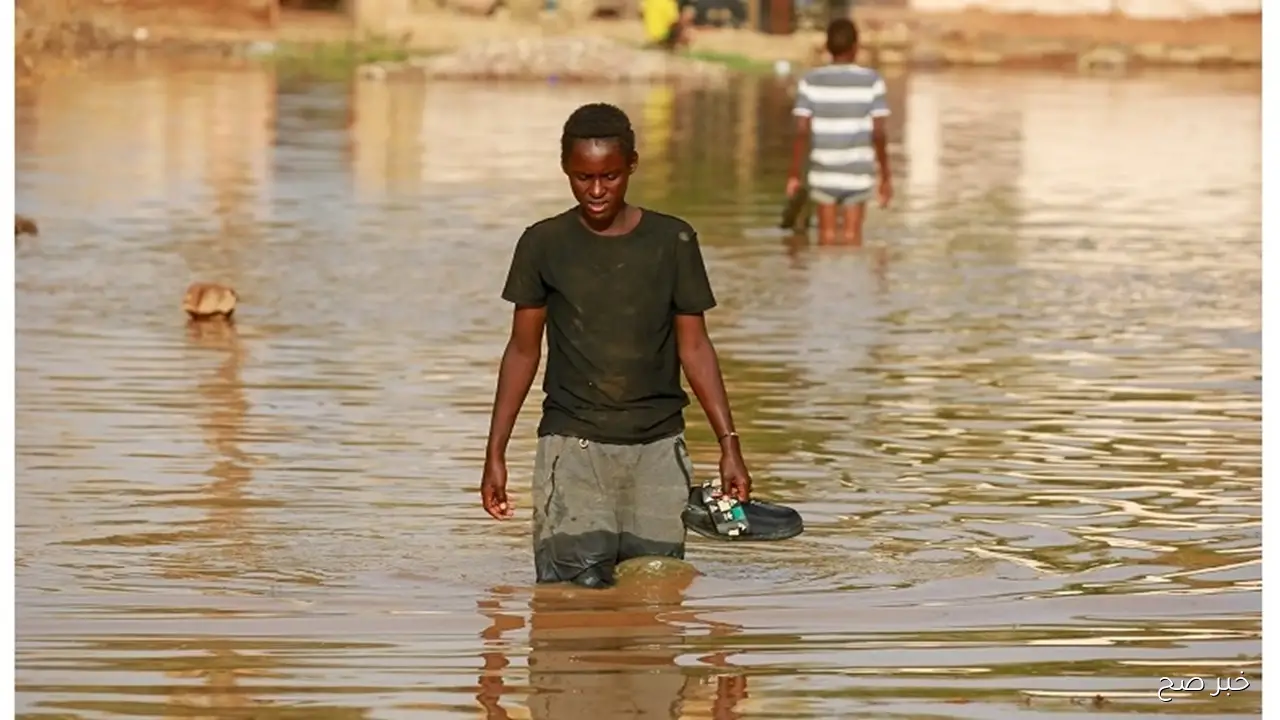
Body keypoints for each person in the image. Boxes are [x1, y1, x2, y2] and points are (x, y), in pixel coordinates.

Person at [479, 102, 753, 589]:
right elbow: (523, 351)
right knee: (570, 604)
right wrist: (495, 451)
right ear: (566, 168)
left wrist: (728, 445)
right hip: (573, 449)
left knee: (657, 599)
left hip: (658, 452)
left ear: (632, 165)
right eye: (583, 177)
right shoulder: (542, 244)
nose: (597, 190)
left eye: (610, 176)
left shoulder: (673, 241)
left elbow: (696, 348)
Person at [786, 18, 893, 246]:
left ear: (827, 47)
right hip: (857, 171)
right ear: (856, 47)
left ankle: (825, 281)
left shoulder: (811, 81)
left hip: (824, 170)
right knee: (853, 238)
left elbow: (802, 131)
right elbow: (879, 133)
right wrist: (885, 176)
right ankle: (851, 280)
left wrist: (794, 173)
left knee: (826, 237)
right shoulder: (872, 81)